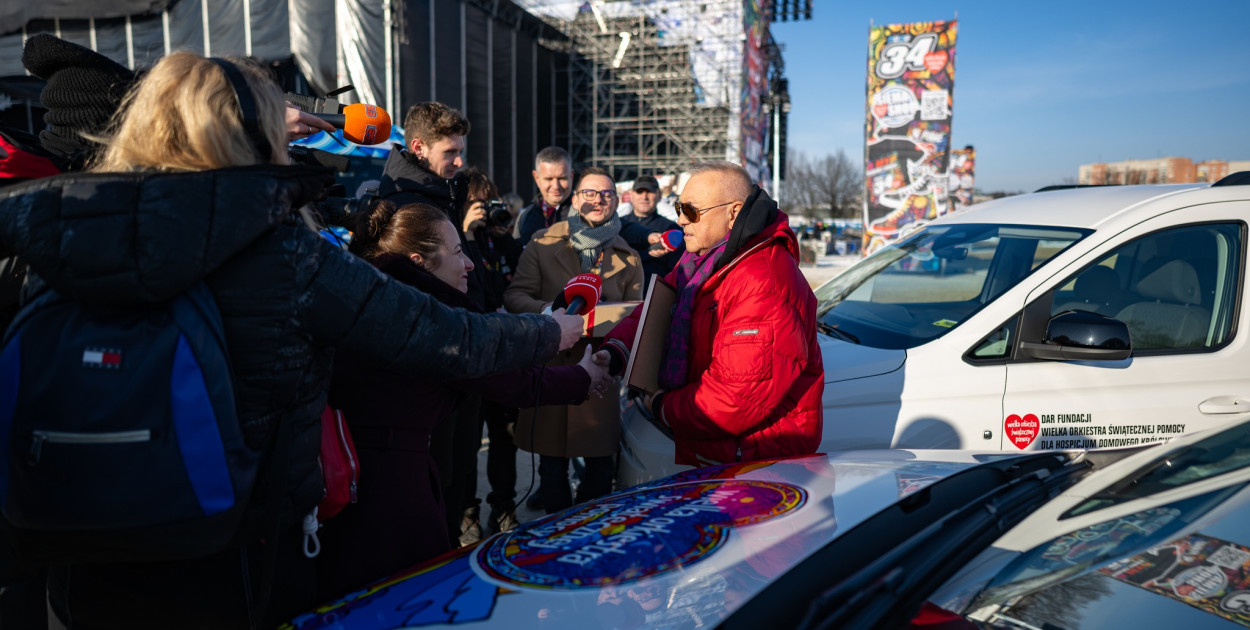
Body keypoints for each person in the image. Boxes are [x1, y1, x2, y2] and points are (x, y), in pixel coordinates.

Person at [0, 51, 584, 630]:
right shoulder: (280, 252)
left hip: (79, 554)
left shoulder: (59, 230)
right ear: (248, 133)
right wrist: (552, 330)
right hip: (236, 553)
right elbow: (442, 336)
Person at [317, 200, 610, 599]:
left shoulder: (371, 290)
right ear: (419, 262)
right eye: (457, 253)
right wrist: (582, 377)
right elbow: (508, 380)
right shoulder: (426, 309)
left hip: (364, 477)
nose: (470, 264)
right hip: (389, 494)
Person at [600, 161, 824, 468]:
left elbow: (734, 400)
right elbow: (655, 311)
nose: (679, 220)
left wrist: (664, 406)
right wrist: (616, 350)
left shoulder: (764, 282)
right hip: (719, 452)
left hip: (756, 466)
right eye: (678, 207)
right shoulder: (701, 260)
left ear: (732, 214)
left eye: (690, 211)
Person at [504, 166, 644, 513]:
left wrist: (609, 318)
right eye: (590, 193)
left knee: (599, 475)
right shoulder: (543, 241)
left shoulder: (628, 256)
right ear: (575, 198)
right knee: (551, 474)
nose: (599, 201)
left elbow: (639, 313)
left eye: (607, 194)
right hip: (552, 368)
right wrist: (552, 315)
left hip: (599, 370)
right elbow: (516, 295)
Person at [458, 168, 528, 537]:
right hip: (472, 357)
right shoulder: (457, 241)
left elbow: (517, 273)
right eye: (476, 204)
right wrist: (467, 232)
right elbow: (472, 294)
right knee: (469, 442)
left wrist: (502, 235)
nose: (483, 212)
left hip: (503, 355)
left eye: (486, 204)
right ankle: (467, 512)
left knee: (505, 438)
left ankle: (503, 507)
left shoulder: (493, 241)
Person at [619, 174, 683, 284]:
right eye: (639, 192)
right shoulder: (618, 226)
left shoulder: (671, 229)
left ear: (659, 195)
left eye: (650, 191)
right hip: (619, 291)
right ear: (631, 195)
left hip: (651, 293)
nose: (644, 197)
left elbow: (677, 271)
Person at [517, 146, 574, 247]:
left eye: (562, 178)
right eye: (549, 179)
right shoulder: (526, 216)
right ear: (537, 178)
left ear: (571, 176)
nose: (556, 186)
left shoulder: (585, 214)